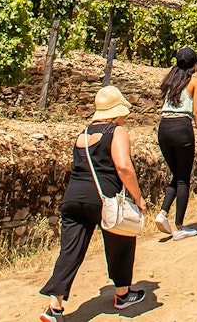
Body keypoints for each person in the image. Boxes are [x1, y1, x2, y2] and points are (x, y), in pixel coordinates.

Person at [39, 86, 147, 322]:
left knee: (70, 251)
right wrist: (138, 198)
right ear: (117, 111)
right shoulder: (116, 132)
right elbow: (123, 167)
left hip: (73, 197)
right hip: (103, 198)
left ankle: (54, 307)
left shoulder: (84, 133)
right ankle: (122, 294)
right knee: (121, 241)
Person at [154, 47, 197, 241]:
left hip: (164, 127)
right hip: (182, 127)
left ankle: (163, 213)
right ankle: (179, 226)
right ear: (194, 64)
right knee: (184, 178)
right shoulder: (194, 82)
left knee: (176, 175)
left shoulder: (170, 80)